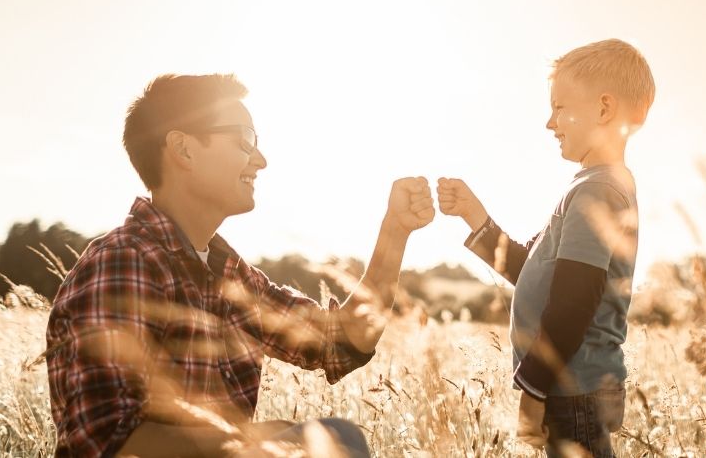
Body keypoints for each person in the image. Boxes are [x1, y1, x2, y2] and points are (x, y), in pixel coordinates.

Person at [45, 74, 434, 457]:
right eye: (244, 140)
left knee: (337, 437)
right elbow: (103, 442)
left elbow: (343, 342)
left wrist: (394, 232)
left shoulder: (227, 273)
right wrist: (248, 439)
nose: (260, 160)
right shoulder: (122, 264)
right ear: (184, 150)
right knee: (332, 439)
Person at [437, 39, 654, 457]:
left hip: (573, 391)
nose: (549, 123)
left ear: (604, 110)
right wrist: (475, 216)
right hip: (573, 387)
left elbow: (573, 302)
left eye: (559, 107)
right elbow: (534, 273)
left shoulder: (599, 191)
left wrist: (533, 388)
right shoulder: (590, 187)